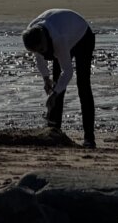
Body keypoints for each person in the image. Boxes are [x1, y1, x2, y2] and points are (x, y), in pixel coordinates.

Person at [22, 8, 96, 149]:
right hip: (63, 29)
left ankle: (89, 138)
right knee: (56, 84)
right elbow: (38, 57)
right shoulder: (32, 32)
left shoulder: (58, 39)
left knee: (83, 86)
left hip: (82, 36)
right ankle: (54, 132)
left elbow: (68, 72)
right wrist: (46, 78)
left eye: (42, 49)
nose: (41, 53)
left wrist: (55, 93)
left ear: (45, 40)